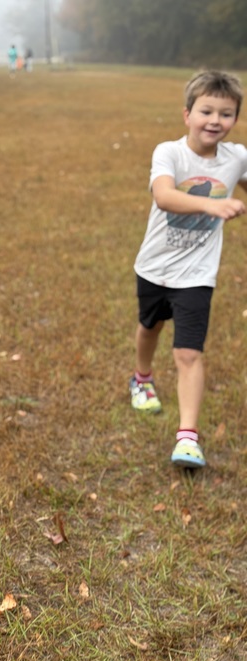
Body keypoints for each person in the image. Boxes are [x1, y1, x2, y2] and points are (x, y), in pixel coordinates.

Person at [129, 70, 247, 468]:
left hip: (198, 275)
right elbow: (164, 196)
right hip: (155, 266)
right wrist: (214, 205)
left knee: (188, 354)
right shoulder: (170, 153)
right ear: (187, 114)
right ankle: (142, 378)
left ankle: (187, 438)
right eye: (207, 111)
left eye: (226, 113)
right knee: (150, 327)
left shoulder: (237, 158)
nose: (215, 120)